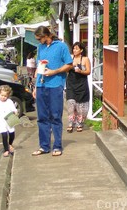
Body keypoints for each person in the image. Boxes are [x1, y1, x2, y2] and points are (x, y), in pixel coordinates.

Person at [32, 26, 73, 157]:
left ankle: (57, 146)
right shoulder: (40, 48)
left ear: (46, 35)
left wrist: (54, 71)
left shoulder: (61, 46)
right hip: (41, 85)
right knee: (42, 117)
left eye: (40, 38)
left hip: (55, 85)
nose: (39, 41)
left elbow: (69, 64)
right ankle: (44, 146)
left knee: (55, 116)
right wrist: (35, 86)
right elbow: (39, 66)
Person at [65, 42, 91, 133]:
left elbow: (88, 71)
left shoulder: (85, 59)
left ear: (81, 50)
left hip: (82, 84)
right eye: (73, 48)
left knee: (81, 106)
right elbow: (65, 68)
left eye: (76, 48)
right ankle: (70, 123)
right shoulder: (70, 58)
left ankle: (79, 124)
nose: (74, 50)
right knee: (71, 104)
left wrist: (80, 71)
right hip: (71, 84)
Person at [0, 85, 17, 157]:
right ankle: (6, 150)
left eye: (5, 96)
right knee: (4, 135)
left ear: (8, 96)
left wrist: (15, 113)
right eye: (2, 95)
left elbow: (14, 110)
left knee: (12, 134)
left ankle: (10, 144)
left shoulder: (9, 101)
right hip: (1, 121)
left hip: (9, 119)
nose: (3, 97)